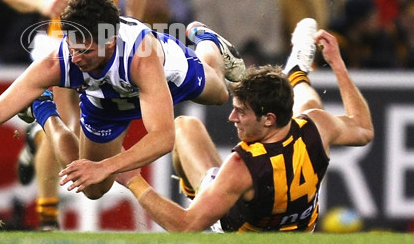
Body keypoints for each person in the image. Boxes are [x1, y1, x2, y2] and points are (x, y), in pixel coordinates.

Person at [0, 0, 246, 225]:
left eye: (86, 49)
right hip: (104, 101)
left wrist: (108, 165)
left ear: (110, 40)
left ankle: (206, 41)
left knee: (219, 92)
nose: (76, 56)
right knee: (92, 187)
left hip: (167, 79)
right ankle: (43, 111)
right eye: (71, 44)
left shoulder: (140, 55)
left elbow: (162, 137)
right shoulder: (59, 60)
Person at [114, 17, 374, 232]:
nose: (232, 118)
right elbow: (363, 129)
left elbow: (185, 225)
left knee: (184, 127)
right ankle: (296, 73)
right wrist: (338, 65)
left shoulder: (243, 167)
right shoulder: (318, 127)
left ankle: (203, 196)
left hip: (234, 230)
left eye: (241, 112)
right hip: (300, 233)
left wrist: (134, 181)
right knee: (309, 110)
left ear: (269, 119)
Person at [0, 0, 147, 229]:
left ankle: (37, 132)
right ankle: (48, 218)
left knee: (81, 134)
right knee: (70, 123)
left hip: (109, 44)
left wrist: (137, 27)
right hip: (57, 38)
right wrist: (40, 2)